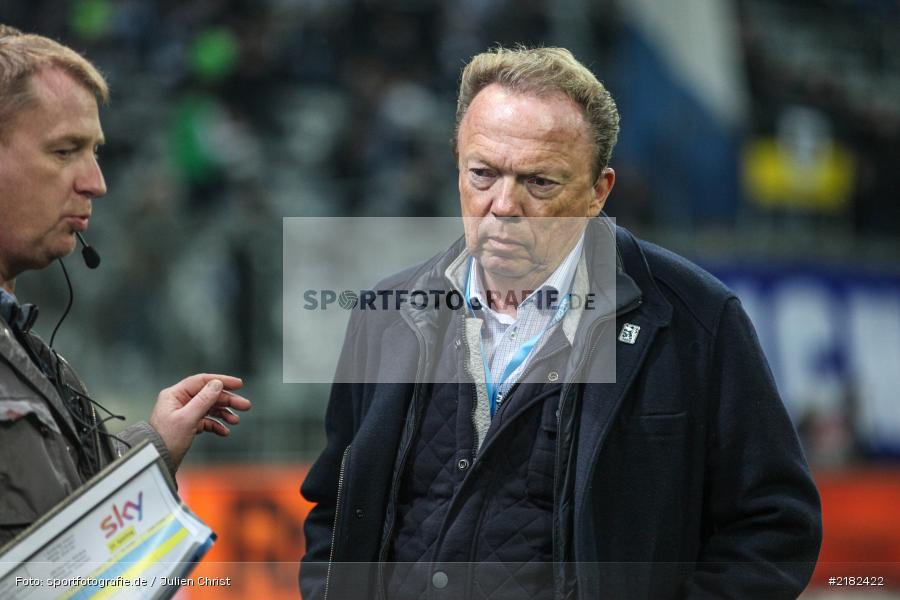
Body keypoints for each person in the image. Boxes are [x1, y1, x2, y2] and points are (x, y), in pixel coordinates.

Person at [299, 46, 822, 599]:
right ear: (457, 161)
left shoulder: (697, 320)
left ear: (599, 192)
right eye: (482, 174)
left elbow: (774, 525)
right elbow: (335, 507)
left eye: (539, 183)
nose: (503, 204)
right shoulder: (387, 314)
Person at [0, 25, 251, 546]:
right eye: (65, 150)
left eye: (94, 151)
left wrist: (156, 443)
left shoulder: (28, 350)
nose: (96, 182)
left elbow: (66, 547)